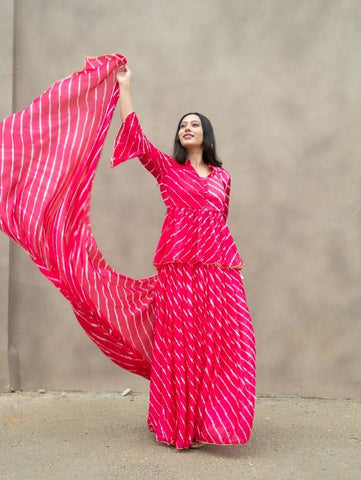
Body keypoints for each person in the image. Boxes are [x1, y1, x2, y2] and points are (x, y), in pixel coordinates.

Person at [113, 63, 256, 450]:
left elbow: (219, 224)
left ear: (205, 133)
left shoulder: (223, 178)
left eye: (194, 124)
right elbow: (136, 139)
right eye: (182, 125)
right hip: (177, 270)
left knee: (224, 342)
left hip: (217, 271)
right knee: (179, 344)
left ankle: (214, 421)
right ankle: (179, 424)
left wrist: (230, 270)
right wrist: (125, 88)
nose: (186, 128)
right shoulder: (167, 169)